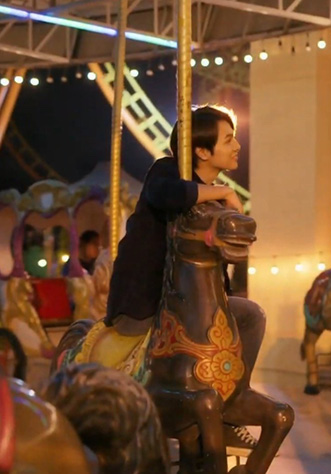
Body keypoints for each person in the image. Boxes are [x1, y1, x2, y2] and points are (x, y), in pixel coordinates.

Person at [104, 105, 263, 451]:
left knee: (251, 315)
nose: (237, 146)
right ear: (202, 151)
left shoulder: (211, 195)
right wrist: (222, 193)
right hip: (148, 296)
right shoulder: (166, 172)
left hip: (191, 302)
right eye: (228, 139)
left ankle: (232, 401)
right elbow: (168, 195)